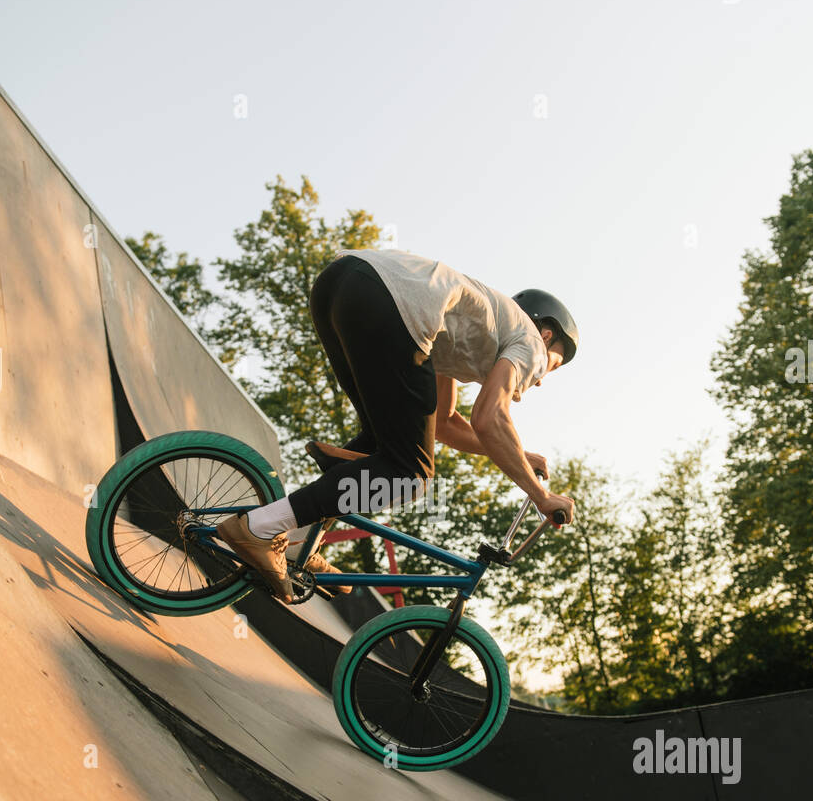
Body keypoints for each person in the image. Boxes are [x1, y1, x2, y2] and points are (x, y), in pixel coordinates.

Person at [218, 248, 578, 602]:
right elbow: (489, 418)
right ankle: (260, 528)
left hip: (342, 285)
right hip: (387, 303)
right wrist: (541, 496)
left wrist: (518, 454)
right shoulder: (531, 343)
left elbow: (445, 424)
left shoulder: (475, 323)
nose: (543, 379)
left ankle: (296, 541)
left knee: (384, 444)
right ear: (547, 336)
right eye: (555, 366)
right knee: (411, 474)